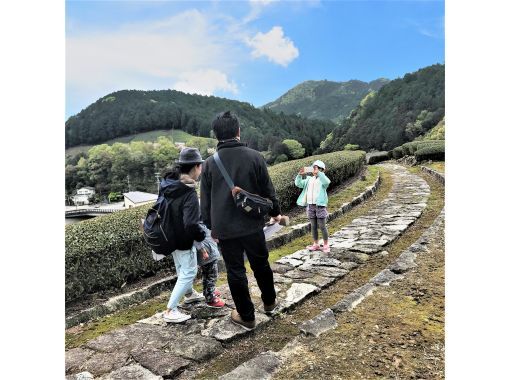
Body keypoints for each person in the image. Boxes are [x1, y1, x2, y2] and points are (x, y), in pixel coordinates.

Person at [200, 111, 283, 331]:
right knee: (261, 264)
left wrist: (211, 228)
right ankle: (269, 302)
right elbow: (268, 191)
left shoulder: (209, 164)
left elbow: (205, 204)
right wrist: (276, 212)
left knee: (235, 271)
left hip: (225, 229)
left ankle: (246, 316)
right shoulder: (254, 156)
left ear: (216, 135)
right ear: (238, 131)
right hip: (253, 224)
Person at [160, 147, 210, 323]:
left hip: (169, 236)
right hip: (182, 239)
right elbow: (191, 224)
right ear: (196, 166)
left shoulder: (168, 184)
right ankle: (170, 309)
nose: (201, 170)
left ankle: (189, 294)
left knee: (181, 269)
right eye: (200, 166)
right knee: (189, 271)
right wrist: (201, 238)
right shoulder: (188, 191)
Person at [181, 223, 225, 308]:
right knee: (211, 275)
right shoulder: (193, 218)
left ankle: (208, 291)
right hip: (206, 250)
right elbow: (194, 233)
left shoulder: (198, 216)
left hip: (209, 247)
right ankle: (210, 298)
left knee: (208, 274)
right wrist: (203, 250)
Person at [295, 160, 332, 253]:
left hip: (320, 206)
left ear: (322, 170)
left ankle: (326, 244)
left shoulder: (323, 179)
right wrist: (299, 175)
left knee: (322, 226)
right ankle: (316, 244)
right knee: (313, 226)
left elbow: (327, 182)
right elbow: (298, 184)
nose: (315, 170)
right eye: (314, 168)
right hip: (310, 206)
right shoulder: (309, 179)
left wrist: (319, 173)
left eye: (318, 168)